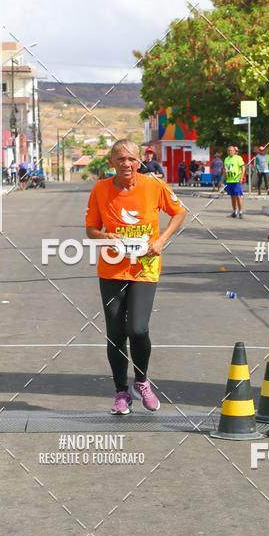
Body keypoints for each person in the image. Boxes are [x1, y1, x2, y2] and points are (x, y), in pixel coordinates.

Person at [86, 139, 186, 415]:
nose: (126, 164)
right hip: (112, 269)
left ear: (140, 161)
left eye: (131, 159)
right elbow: (91, 229)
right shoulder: (100, 189)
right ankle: (121, 392)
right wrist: (106, 236)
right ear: (111, 163)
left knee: (138, 329)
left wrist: (162, 240)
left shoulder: (154, 185)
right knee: (116, 334)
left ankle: (141, 381)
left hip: (145, 268)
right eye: (121, 159)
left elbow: (179, 212)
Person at [223, 144, 245, 218]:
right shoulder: (226, 159)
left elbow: (243, 168)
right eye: (228, 150)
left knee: (238, 196)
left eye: (231, 150)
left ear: (234, 151)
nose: (230, 152)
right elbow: (226, 170)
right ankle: (234, 211)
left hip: (237, 180)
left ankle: (241, 212)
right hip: (229, 181)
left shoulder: (238, 158)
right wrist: (222, 180)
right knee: (232, 197)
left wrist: (241, 177)